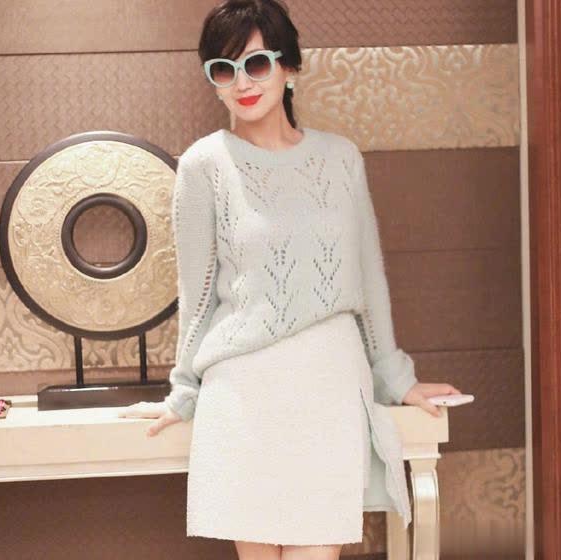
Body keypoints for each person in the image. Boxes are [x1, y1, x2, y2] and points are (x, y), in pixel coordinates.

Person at [119, 1, 462, 558]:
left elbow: (369, 281)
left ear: (289, 67)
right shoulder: (204, 166)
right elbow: (197, 293)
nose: (242, 83)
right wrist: (183, 391)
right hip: (243, 392)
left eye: (256, 64)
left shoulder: (340, 159)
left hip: (328, 386)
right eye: (223, 69)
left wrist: (397, 378)